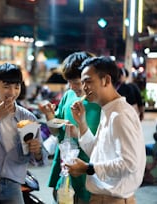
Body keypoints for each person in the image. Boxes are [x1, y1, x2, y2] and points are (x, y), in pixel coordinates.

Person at [67, 57, 146, 204]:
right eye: (82, 82)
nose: (84, 87)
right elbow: (98, 154)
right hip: (102, 198)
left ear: (106, 80)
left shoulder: (119, 115)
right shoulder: (108, 111)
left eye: (88, 81)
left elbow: (129, 163)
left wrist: (88, 168)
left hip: (113, 200)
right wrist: (82, 123)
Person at [0, 62, 48, 204]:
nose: (12, 92)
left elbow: (40, 159)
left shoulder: (28, 117)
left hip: (13, 182)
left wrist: (36, 150)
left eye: (16, 86)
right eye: (6, 86)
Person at [38, 51, 101, 204]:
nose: (73, 87)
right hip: (64, 167)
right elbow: (55, 131)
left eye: (77, 82)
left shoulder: (100, 102)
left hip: (89, 170)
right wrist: (50, 116)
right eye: (69, 82)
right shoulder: (69, 95)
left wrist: (78, 133)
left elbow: (105, 145)